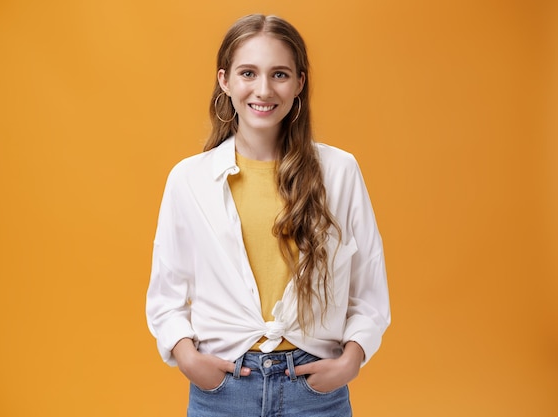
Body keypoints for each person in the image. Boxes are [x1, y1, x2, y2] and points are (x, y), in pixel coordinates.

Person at [146, 14, 390, 416]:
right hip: (223, 391)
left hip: (313, 391)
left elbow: (369, 288)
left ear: (299, 83)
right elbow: (165, 294)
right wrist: (187, 357)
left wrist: (351, 360)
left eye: (279, 74)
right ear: (225, 81)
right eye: (248, 73)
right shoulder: (188, 179)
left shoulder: (339, 171)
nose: (263, 89)